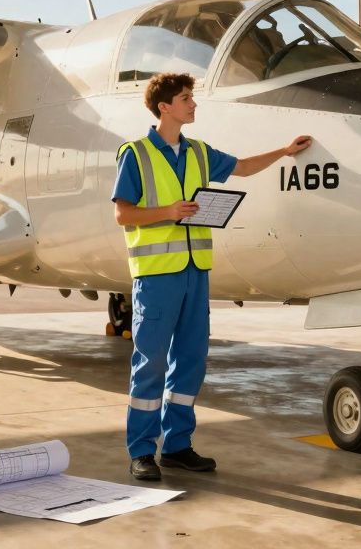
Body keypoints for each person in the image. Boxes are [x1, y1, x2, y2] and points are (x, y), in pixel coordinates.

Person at [111, 72, 311, 480]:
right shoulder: (135, 154)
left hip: (194, 273)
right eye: (186, 98)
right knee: (150, 363)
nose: (193, 104)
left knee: (191, 360)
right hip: (156, 276)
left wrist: (285, 151)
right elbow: (123, 213)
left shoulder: (199, 152)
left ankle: (178, 446)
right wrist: (168, 212)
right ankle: (142, 452)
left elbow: (241, 167)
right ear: (164, 106)